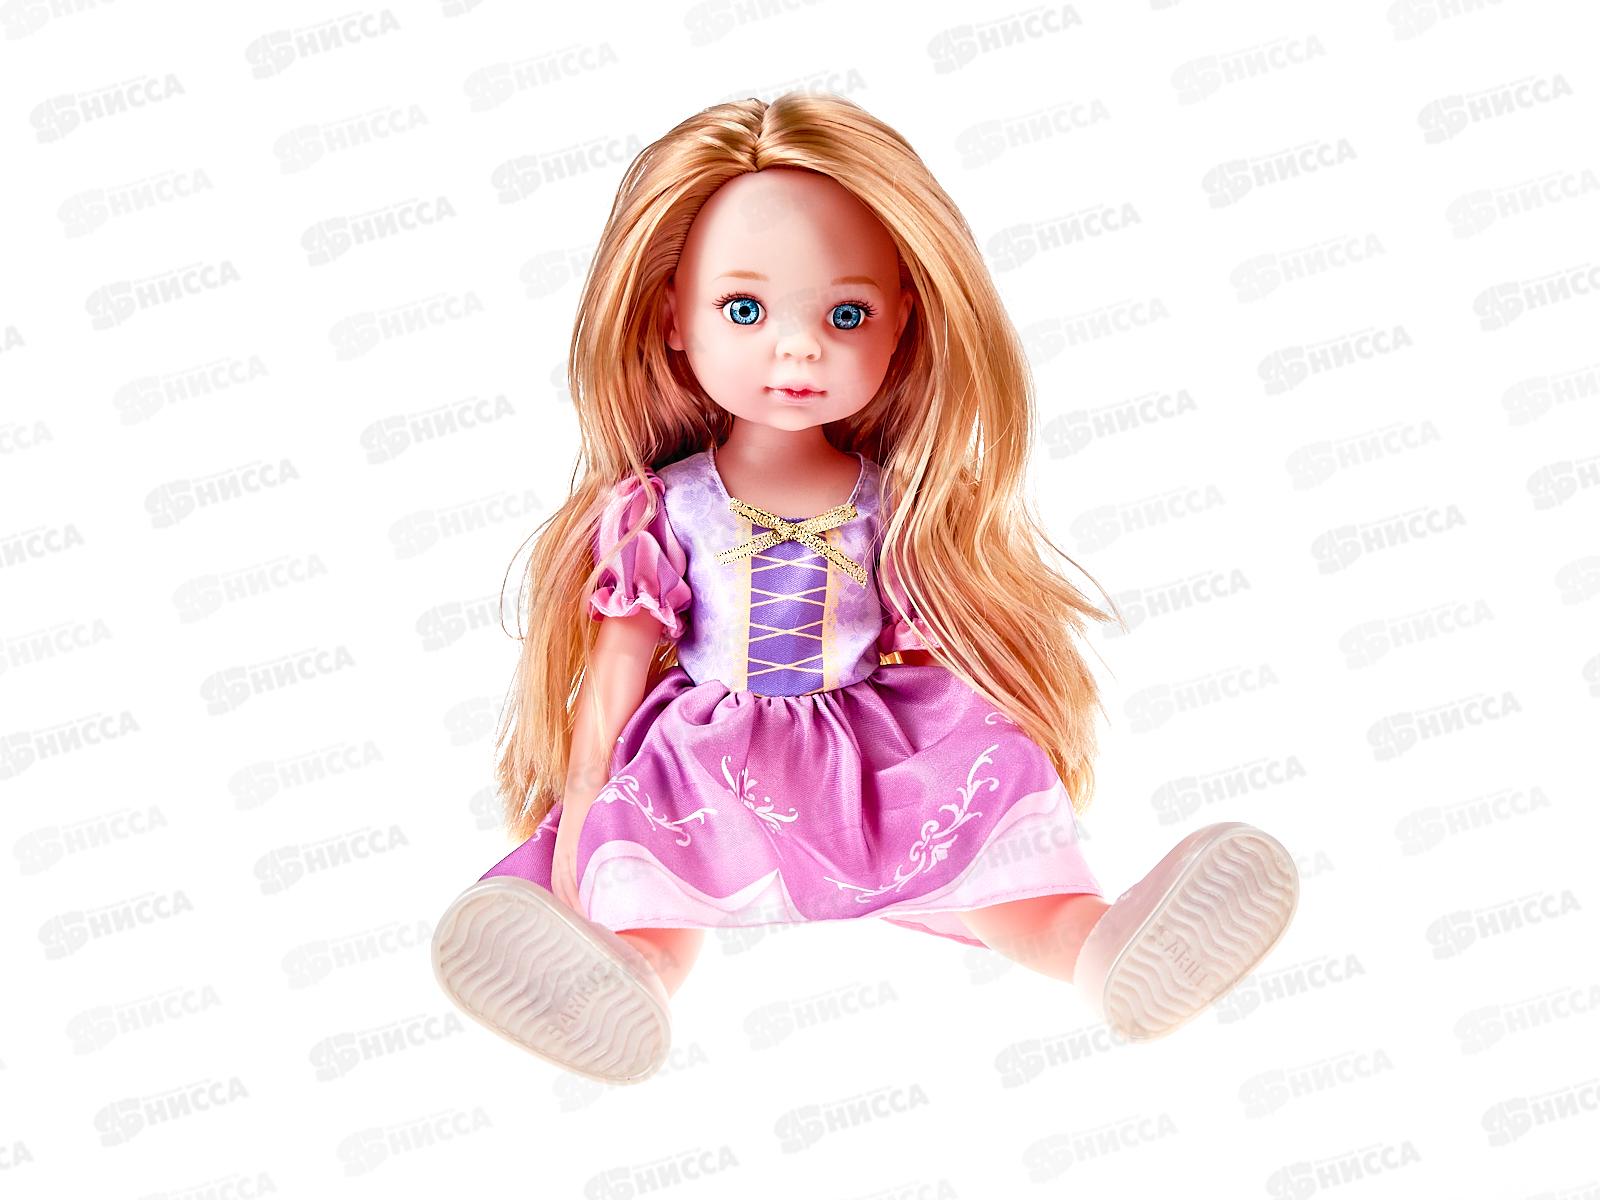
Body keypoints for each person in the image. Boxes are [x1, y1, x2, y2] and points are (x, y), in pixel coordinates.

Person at [430, 92, 1299, 1084]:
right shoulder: (664, 507)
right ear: (670, 314)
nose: (799, 348)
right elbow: (620, 658)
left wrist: (984, 720)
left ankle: (1101, 950)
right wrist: (583, 793)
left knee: (987, 842)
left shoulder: (894, 504)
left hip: (861, 741)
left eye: (846, 315)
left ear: (903, 325)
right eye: (745, 310)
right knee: (654, 878)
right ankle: (618, 982)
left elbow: (931, 634)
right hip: (711, 749)